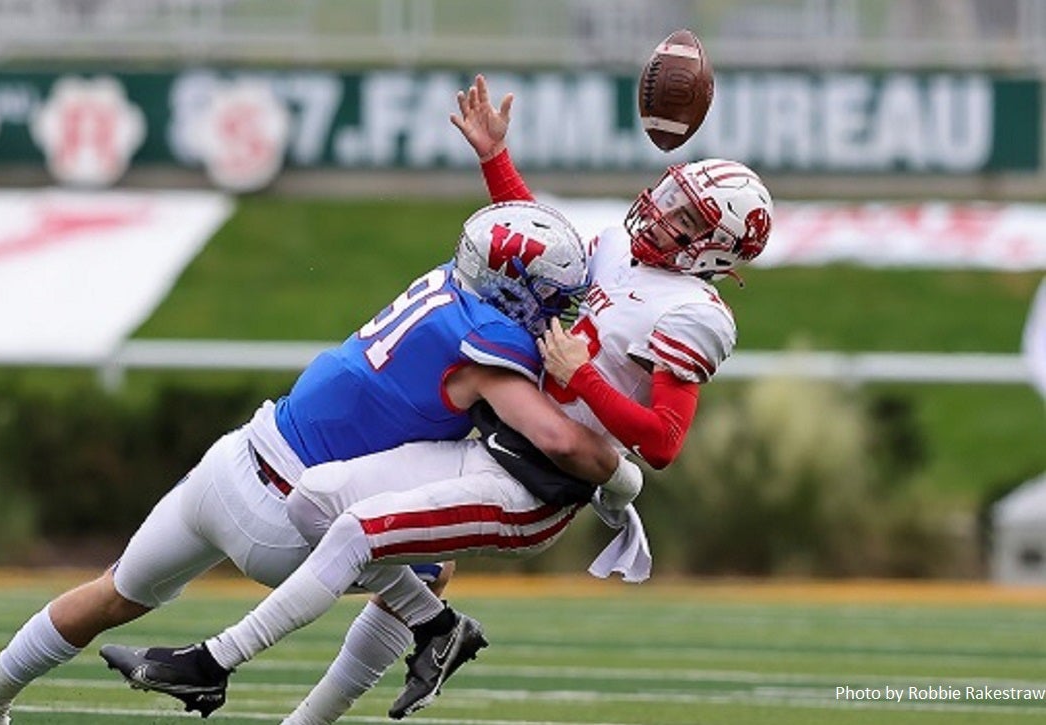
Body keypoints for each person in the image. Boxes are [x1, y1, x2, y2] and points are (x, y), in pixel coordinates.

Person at [99, 73, 774, 720]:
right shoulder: (624, 247)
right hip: (494, 441)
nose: (660, 212)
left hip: (536, 484)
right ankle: (440, 628)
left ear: (715, 249)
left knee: (358, 531)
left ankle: (212, 662)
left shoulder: (694, 313)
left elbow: (662, 442)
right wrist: (496, 161)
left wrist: (584, 377)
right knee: (314, 498)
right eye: (671, 195)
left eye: (686, 217)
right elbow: (542, 249)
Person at [0, 198, 631, 725]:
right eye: (548, 296)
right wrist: (621, 474)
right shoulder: (489, 347)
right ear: (516, 289)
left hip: (234, 458)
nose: (555, 310)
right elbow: (563, 442)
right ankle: (403, 647)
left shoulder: (445, 284)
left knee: (113, 591)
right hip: (282, 520)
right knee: (432, 562)